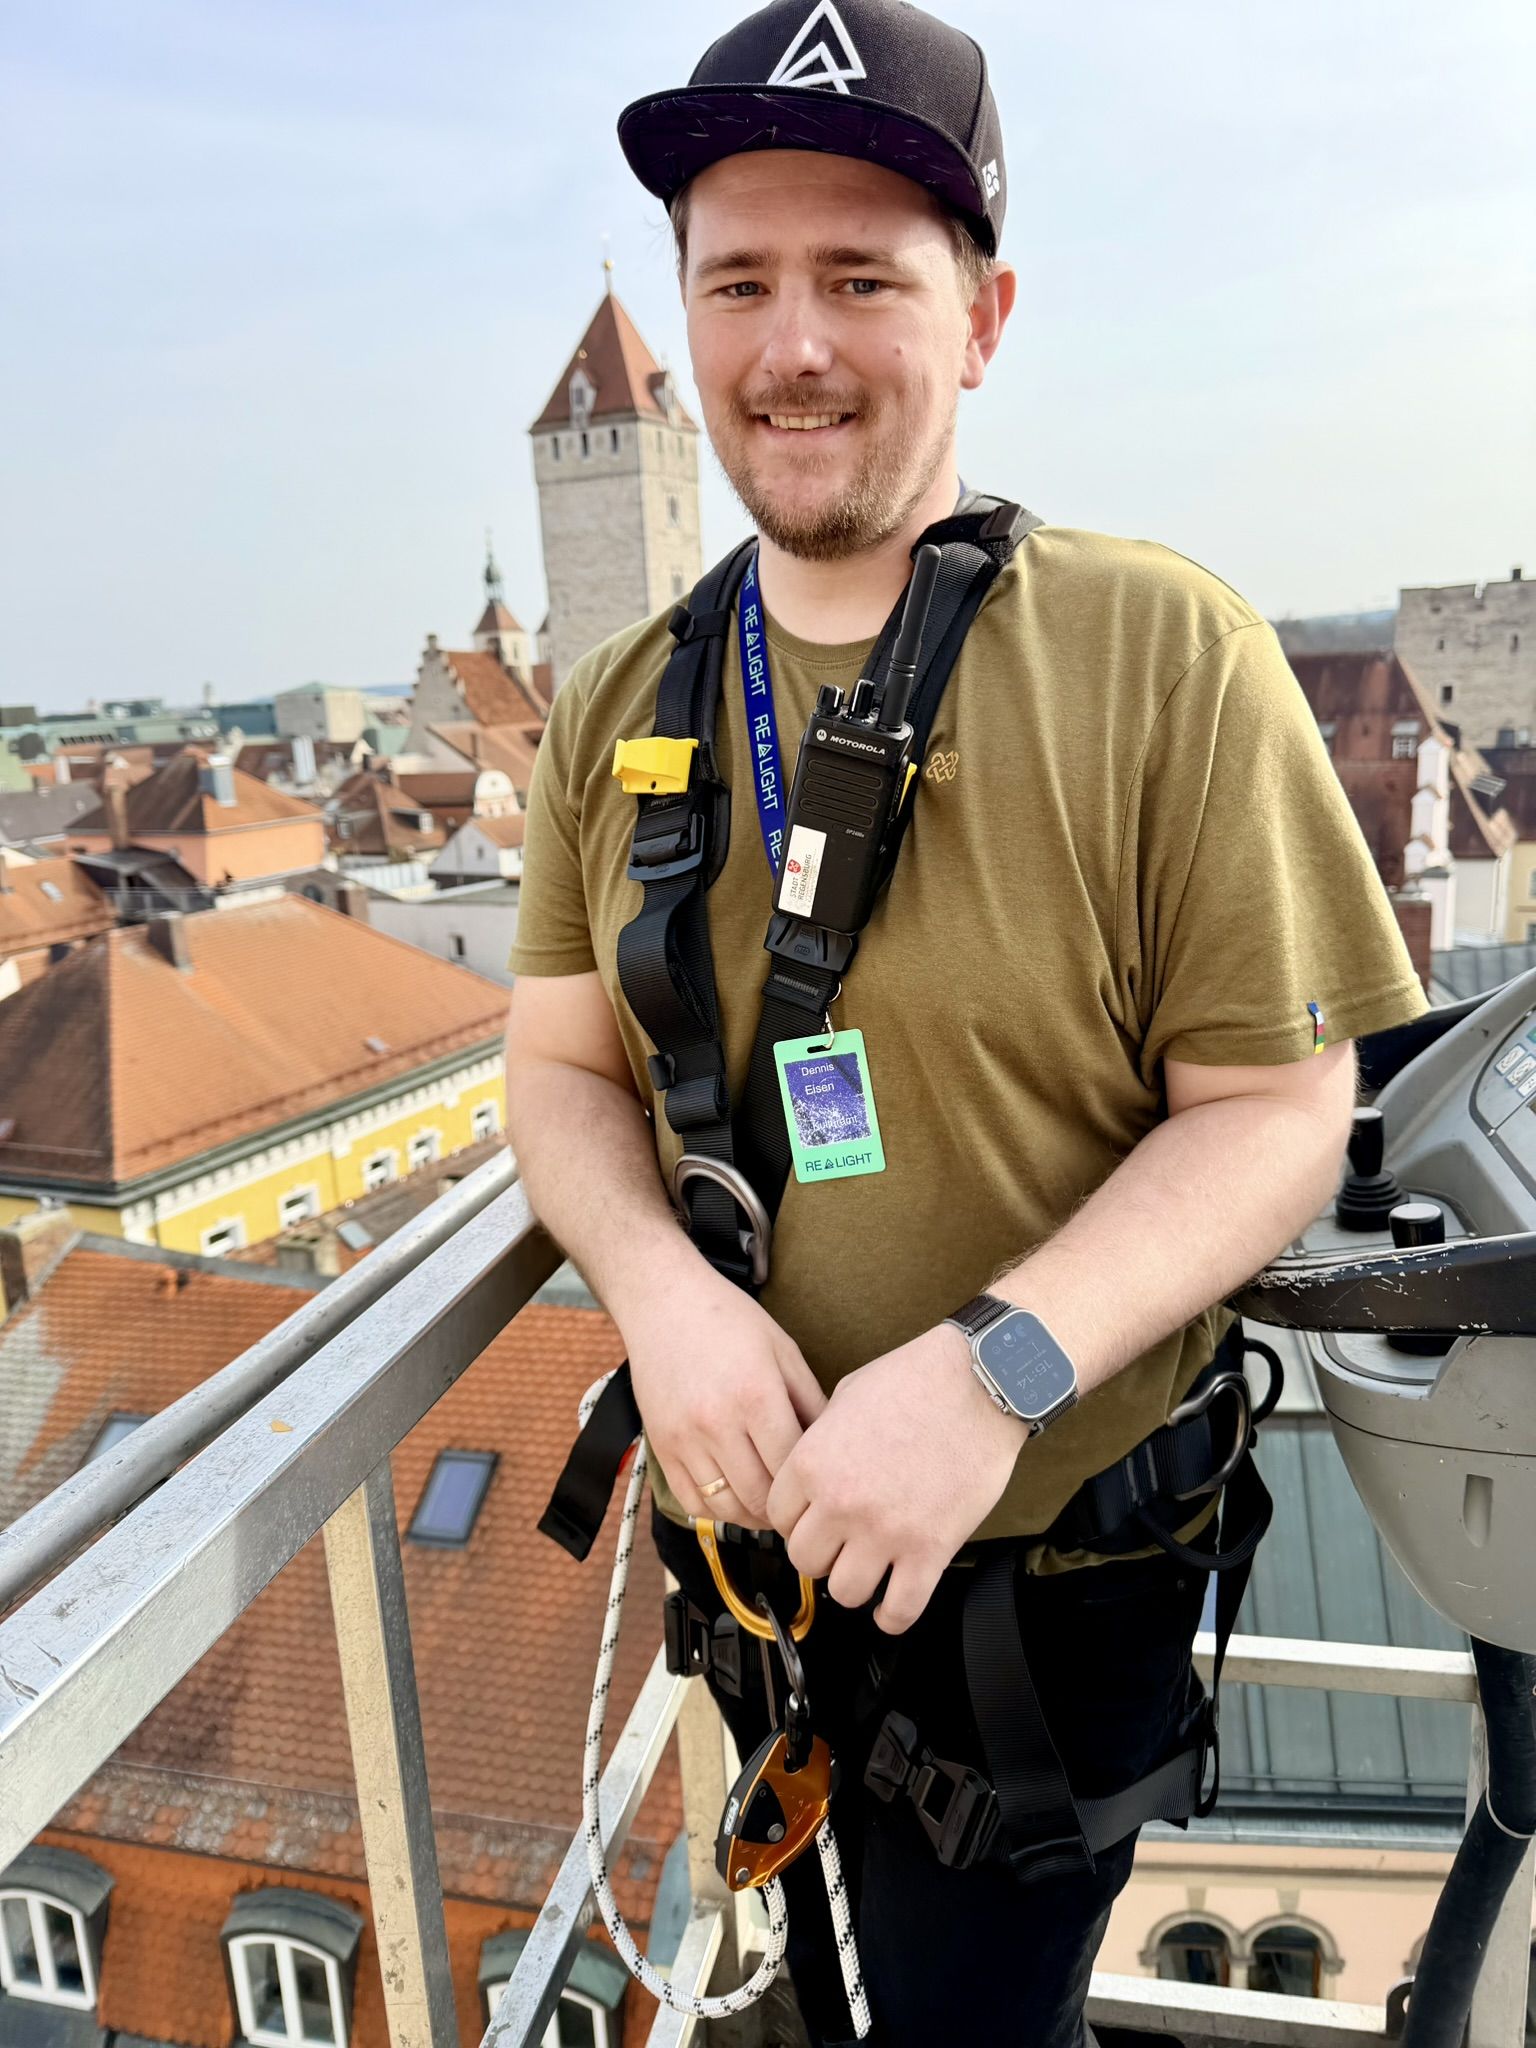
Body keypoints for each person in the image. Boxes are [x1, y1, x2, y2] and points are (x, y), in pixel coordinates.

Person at [505, 1, 1429, 2039]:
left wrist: (995, 1366)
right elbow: (558, 1070)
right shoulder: (623, 699)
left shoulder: (1151, 650)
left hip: (1046, 1564)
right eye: (737, 281)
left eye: (861, 278)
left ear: (982, 317)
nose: (792, 345)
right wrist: (658, 1291)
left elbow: (1280, 1103)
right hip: (755, 1552)